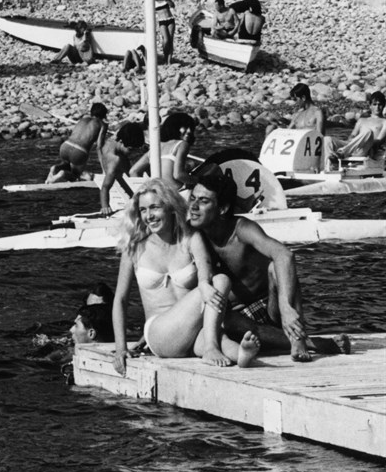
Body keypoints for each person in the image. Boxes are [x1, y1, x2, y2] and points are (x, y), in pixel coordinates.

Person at [187, 173, 349, 361]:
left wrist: (286, 308)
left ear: (222, 208)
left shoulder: (241, 229)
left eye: (203, 201)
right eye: (192, 198)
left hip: (270, 308)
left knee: (276, 268)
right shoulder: (190, 235)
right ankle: (311, 342)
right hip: (234, 318)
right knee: (224, 317)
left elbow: (284, 255)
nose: (193, 206)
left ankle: (297, 338)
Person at [112, 178, 257, 377]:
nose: (148, 216)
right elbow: (120, 299)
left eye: (154, 207)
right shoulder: (135, 248)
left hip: (191, 330)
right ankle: (210, 348)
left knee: (215, 331)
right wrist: (121, 348)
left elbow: (206, 271)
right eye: (143, 210)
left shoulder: (190, 239)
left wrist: (205, 283)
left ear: (170, 207)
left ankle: (240, 355)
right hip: (160, 334)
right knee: (221, 281)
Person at [130, 112, 198, 191]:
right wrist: (199, 180)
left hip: (160, 193)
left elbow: (133, 171)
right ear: (174, 127)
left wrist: (144, 192)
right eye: (185, 127)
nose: (189, 131)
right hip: (177, 193)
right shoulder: (182, 144)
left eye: (191, 128)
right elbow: (178, 175)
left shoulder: (156, 147)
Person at [45, 102, 108, 183]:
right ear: (103, 114)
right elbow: (99, 146)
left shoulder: (83, 119)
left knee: (67, 165)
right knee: (76, 175)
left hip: (65, 146)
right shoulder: (102, 125)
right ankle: (62, 174)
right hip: (79, 151)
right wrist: (104, 170)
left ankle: (55, 168)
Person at [324, 91, 386, 170]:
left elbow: (378, 141)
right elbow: (353, 135)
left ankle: (342, 153)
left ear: (384, 105)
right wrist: (352, 139)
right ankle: (330, 164)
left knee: (368, 132)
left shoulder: (384, 122)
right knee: (327, 139)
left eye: (380, 104)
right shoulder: (361, 120)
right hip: (353, 146)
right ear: (370, 105)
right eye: (375, 104)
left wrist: (362, 142)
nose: (377, 107)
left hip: (366, 149)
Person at [97, 122, 145, 216]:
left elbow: (99, 146)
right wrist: (105, 207)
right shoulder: (115, 160)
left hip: (118, 167)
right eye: (131, 149)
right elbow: (105, 187)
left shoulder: (114, 139)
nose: (132, 152)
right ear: (121, 142)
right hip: (115, 176)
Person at [154, 0, 175, 64]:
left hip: (170, 20)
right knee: (166, 40)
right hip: (162, 21)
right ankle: (165, 56)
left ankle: (169, 60)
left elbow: (173, 5)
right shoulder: (154, 1)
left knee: (171, 40)